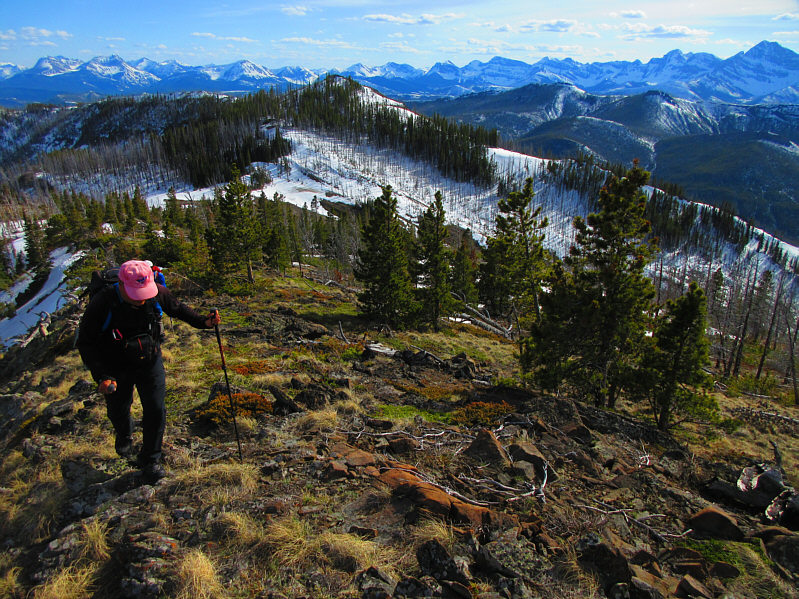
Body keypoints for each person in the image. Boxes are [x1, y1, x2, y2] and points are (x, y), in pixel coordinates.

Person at [77, 260, 220, 480]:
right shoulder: (102, 303)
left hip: (149, 359)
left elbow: (178, 309)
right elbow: (86, 343)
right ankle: (124, 437)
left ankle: (151, 459)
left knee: (155, 408)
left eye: (145, 291)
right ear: (122, 286)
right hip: (115, 366)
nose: (142, 297)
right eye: (136, 292)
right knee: (119, 410)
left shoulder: (155, 292)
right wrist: (101, 376)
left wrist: (204, 322)